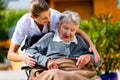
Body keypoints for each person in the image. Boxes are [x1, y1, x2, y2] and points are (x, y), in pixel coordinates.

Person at [7, 0, 100, 67]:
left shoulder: (56, 16)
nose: (48, 20)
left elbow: (77, 31)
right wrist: (23, 57)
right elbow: (10, 54)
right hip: (34, 49)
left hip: (52, 50)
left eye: (49, 15)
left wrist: (92, 47)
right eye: (44, 18)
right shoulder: (24, 23)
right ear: (32, 17)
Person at [25, 10, 102, 80]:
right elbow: (30, 51)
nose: (68, 33)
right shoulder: (49, 38)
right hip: (56, 70)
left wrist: (89, 58)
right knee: (57, 74)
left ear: (76, 30)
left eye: (72, 30)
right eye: (65, 28)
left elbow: (98, 62)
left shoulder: (79, 40)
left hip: (79, 72)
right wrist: (46, 61)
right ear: (58, 25)